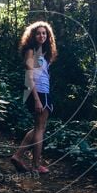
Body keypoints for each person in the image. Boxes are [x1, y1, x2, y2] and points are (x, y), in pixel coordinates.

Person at [10, 21, 57, 174]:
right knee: (40, 129)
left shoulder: (43, 52)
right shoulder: (30, 51)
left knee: (39, 127)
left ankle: (18, 156)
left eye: (44, 33)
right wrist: (37, 99)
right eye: (38, 33)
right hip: (37, 92)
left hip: (44, 92)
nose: (42, 35)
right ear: (33, 35)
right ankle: (36, 165)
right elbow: (29, 77)